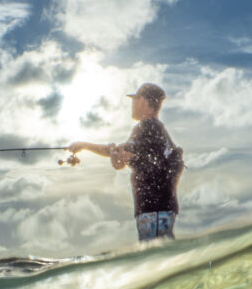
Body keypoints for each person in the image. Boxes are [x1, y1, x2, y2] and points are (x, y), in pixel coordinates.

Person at [69, 82, 182, 242]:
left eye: (134, 100)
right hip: (162, 210)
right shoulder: (158, 131)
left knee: (153, 257)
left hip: (153, 212)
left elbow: (120, 157)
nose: (132, 104)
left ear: (142, 101)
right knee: (160, 256)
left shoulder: (145, 128)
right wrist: (92, 147)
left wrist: (86, 145)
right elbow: (122, 154)